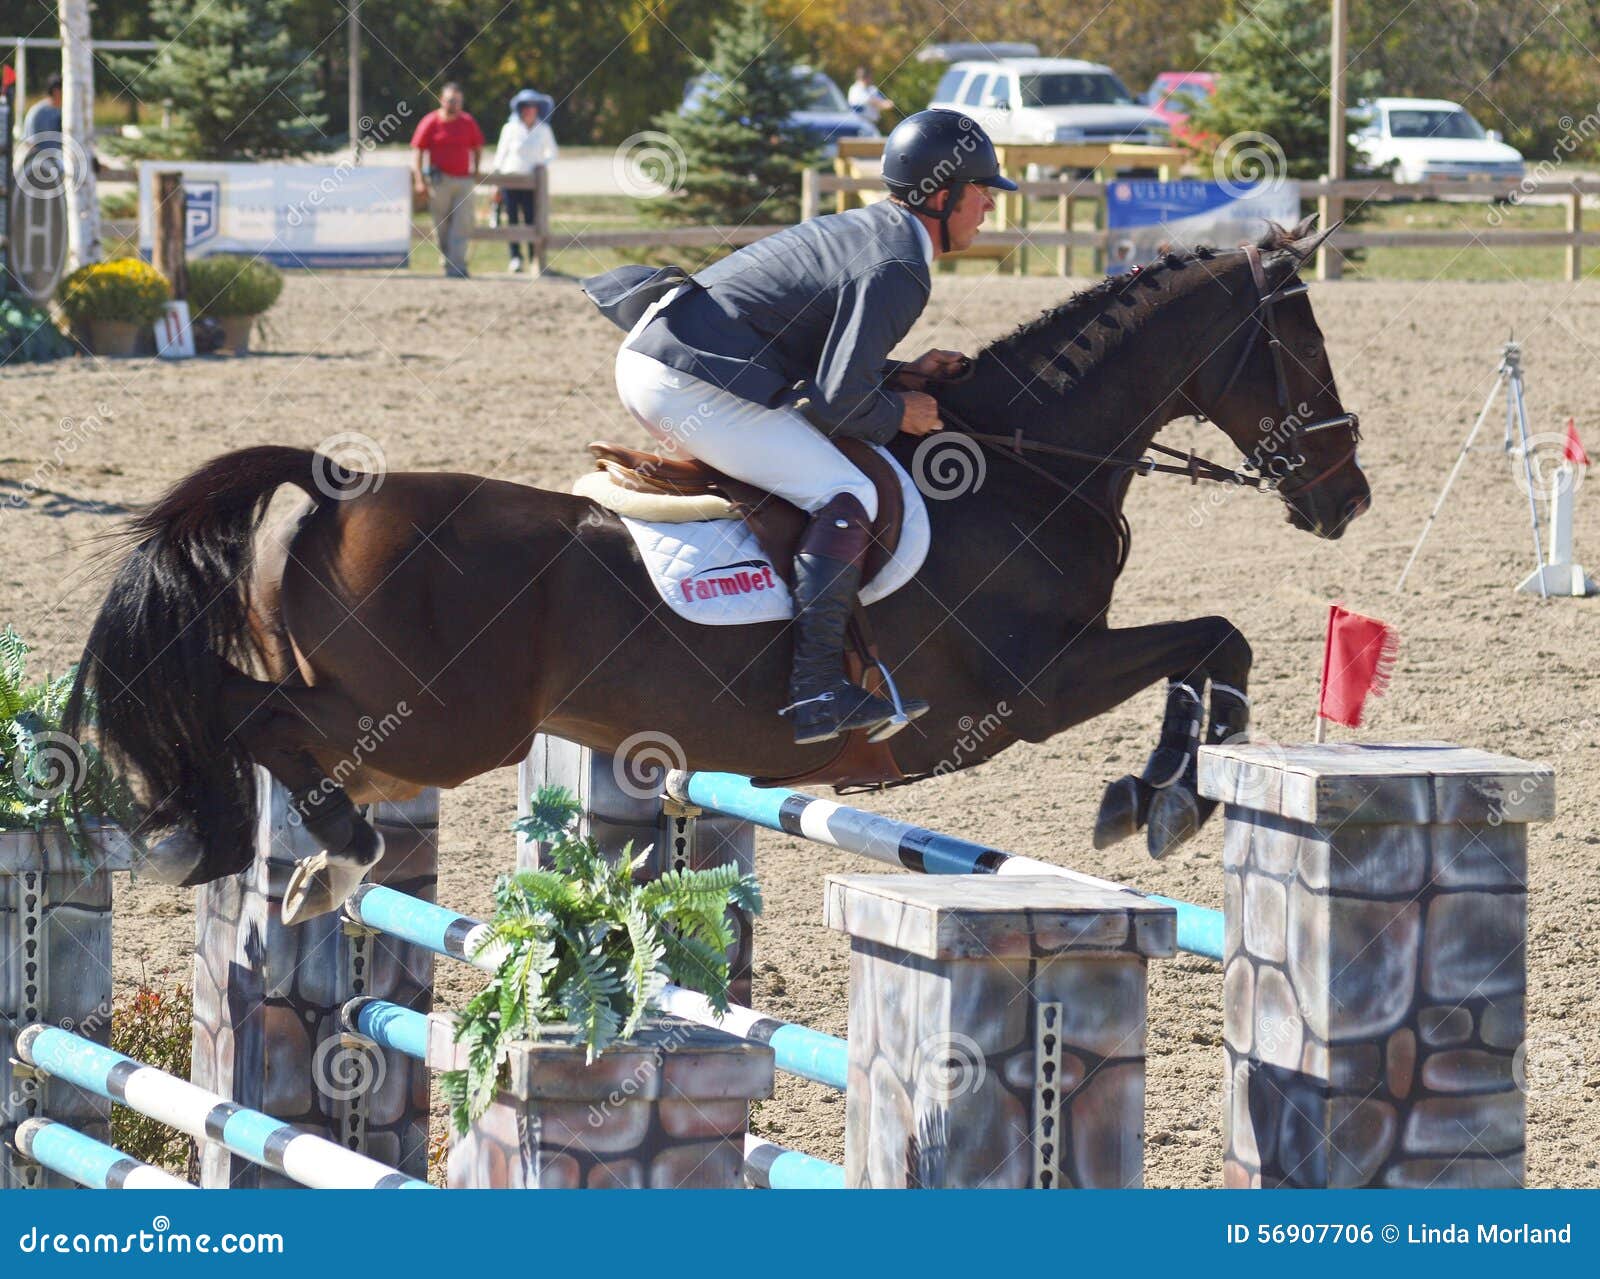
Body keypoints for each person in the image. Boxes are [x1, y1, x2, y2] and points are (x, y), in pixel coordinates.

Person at [582, 110, 1016, 746]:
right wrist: (900, 412)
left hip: (675, 357)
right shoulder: (901, 266)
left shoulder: (876, 231)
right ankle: (817, 690)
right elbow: (836, 402)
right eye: (981, 191)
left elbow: (822, 361)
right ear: (942, 195)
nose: (990, 206)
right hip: (686, 381)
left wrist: (900, 373)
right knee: (848, 491)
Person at [410, 83, 485, 278]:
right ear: (442, 100)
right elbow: (418, 151)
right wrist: (419, 180)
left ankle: (457, 266)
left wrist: (476, 169)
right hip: (439, 181)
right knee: (440, 225)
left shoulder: (467, 122)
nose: (454, 105)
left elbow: (477, 147)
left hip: (463, 180)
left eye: (458, 101)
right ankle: (447, 262)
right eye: (451, 100)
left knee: (462, 223)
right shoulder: (431, 122)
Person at [491, 89, 557, 273]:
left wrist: (541, 164)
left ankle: (534, 257)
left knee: (531, 220)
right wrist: (496, 182)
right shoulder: (509, 128)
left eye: (532, 107)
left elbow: (552, 152)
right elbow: (500, 155)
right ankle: (515, 257)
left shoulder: (543, 129)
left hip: (532, 183)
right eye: (525, 107)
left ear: (537, 109)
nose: (529, 110)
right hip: (510, 181)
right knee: (512, 219)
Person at [22, 74, 63, 153]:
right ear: (56, 91)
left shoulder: (63, 111)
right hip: (42, 158)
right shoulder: (38, 113)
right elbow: (30, 144)